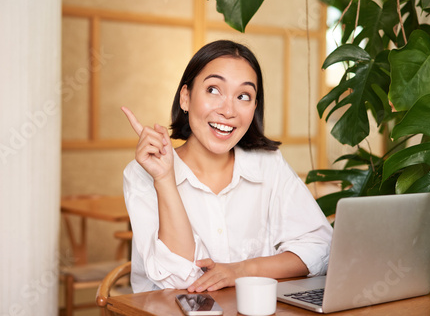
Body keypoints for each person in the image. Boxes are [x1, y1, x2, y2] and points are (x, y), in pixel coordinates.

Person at [121, 40, 333, 293]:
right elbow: (180, 280)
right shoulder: (143, 173)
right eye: (213, 90)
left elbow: (320, 247)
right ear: (185, 98)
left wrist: (241, 270)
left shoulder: (268, 163)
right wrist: (165, 179)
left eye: (243, 96)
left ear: (254, 108)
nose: (228, 110)